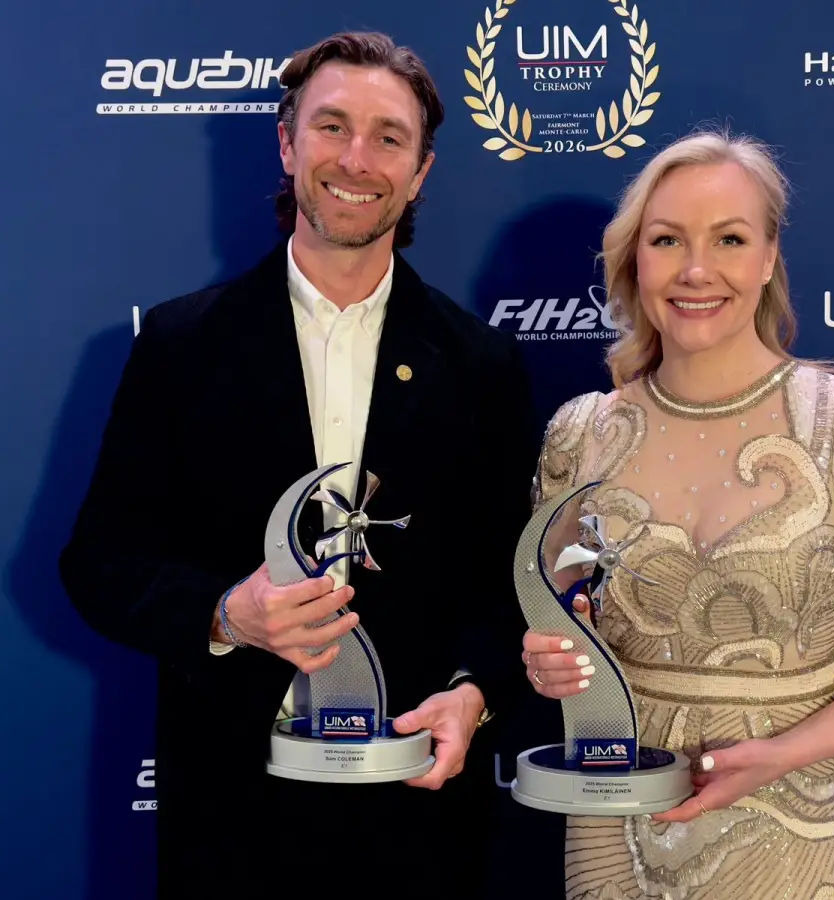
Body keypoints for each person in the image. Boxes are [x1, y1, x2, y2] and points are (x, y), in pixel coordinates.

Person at [59, 32, 536, 898]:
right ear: (287, 143)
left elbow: (507, 588)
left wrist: (471, 694)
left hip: (420, 807)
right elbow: (98, 564)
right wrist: (226, 615)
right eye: (332, 127)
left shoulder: (482, 365)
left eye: (389, 137)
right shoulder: (179, 346)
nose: (357, 160)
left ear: (422, 169)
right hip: (232, 814)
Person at [520, 129, 834, 899]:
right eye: (668, 240)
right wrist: (548, 661)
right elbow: (559, 621)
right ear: (637, 260)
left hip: (791, 830)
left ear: (767, 260)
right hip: (613, 827)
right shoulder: (579, 435)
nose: (697, 270)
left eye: (729, 239)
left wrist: (781, 755)